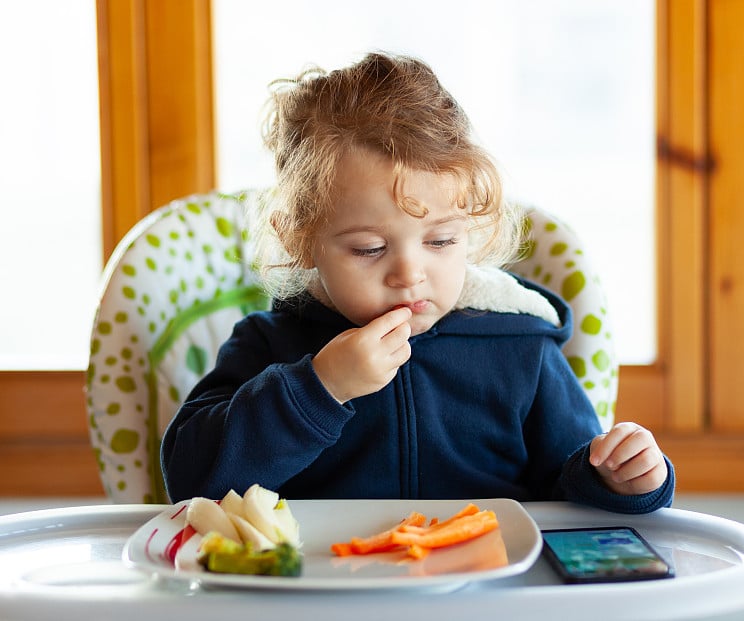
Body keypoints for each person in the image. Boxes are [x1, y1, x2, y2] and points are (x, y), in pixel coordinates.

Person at [161, 52, 675, 513]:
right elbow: (192, 482)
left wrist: (620, 477)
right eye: (369, 248)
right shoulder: (268, 345)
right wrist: (319, 388)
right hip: (322, 591)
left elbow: (570, 491)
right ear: (302, 239)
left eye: (441, 241)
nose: (409, 273)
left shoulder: (522, 347)